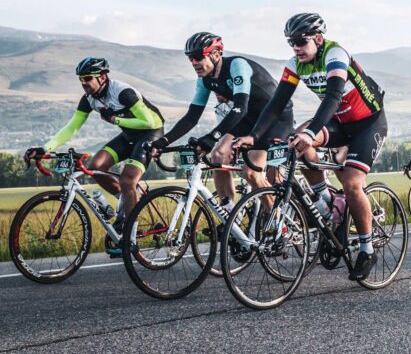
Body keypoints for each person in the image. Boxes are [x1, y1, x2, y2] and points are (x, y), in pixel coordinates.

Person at [233, 13, 387, 281]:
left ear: (318, 38)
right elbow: (276, 103)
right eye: (291, 42)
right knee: (296, 142)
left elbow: (334, 96)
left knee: (352, 183)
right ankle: (324, 201)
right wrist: (254, 135)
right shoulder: (295, 64)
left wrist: (313, 131)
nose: (295, 47)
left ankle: (366, 247)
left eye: (300, 41)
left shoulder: (335, 54)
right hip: (339, 121)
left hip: (367, 124)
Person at [24, 57, 164, 256]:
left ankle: (130, 239)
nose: (84, 83)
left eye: (88, 78)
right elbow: (72, 127)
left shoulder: (123, 93)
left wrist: (115, 119)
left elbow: (148, 122)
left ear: (103, 77)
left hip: (151, 133)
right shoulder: (89, 98)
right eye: (81, 79)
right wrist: (45, 148)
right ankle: (126, 201)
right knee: (95, 167)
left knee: (127, 180)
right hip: (128, 135)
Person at [150, 32, 294, 205]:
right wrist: (163, 141)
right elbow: (191, 117)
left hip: (275, 117)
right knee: (218, 155)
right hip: (249, 117)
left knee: (251, 173)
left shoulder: (237, 66)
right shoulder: (204, 79)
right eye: (190, 59)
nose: (194, 63)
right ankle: (229, 212)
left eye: (198, 57)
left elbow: (240, 107)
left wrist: (212, 137)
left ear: (216, 54)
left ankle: (278, 225)